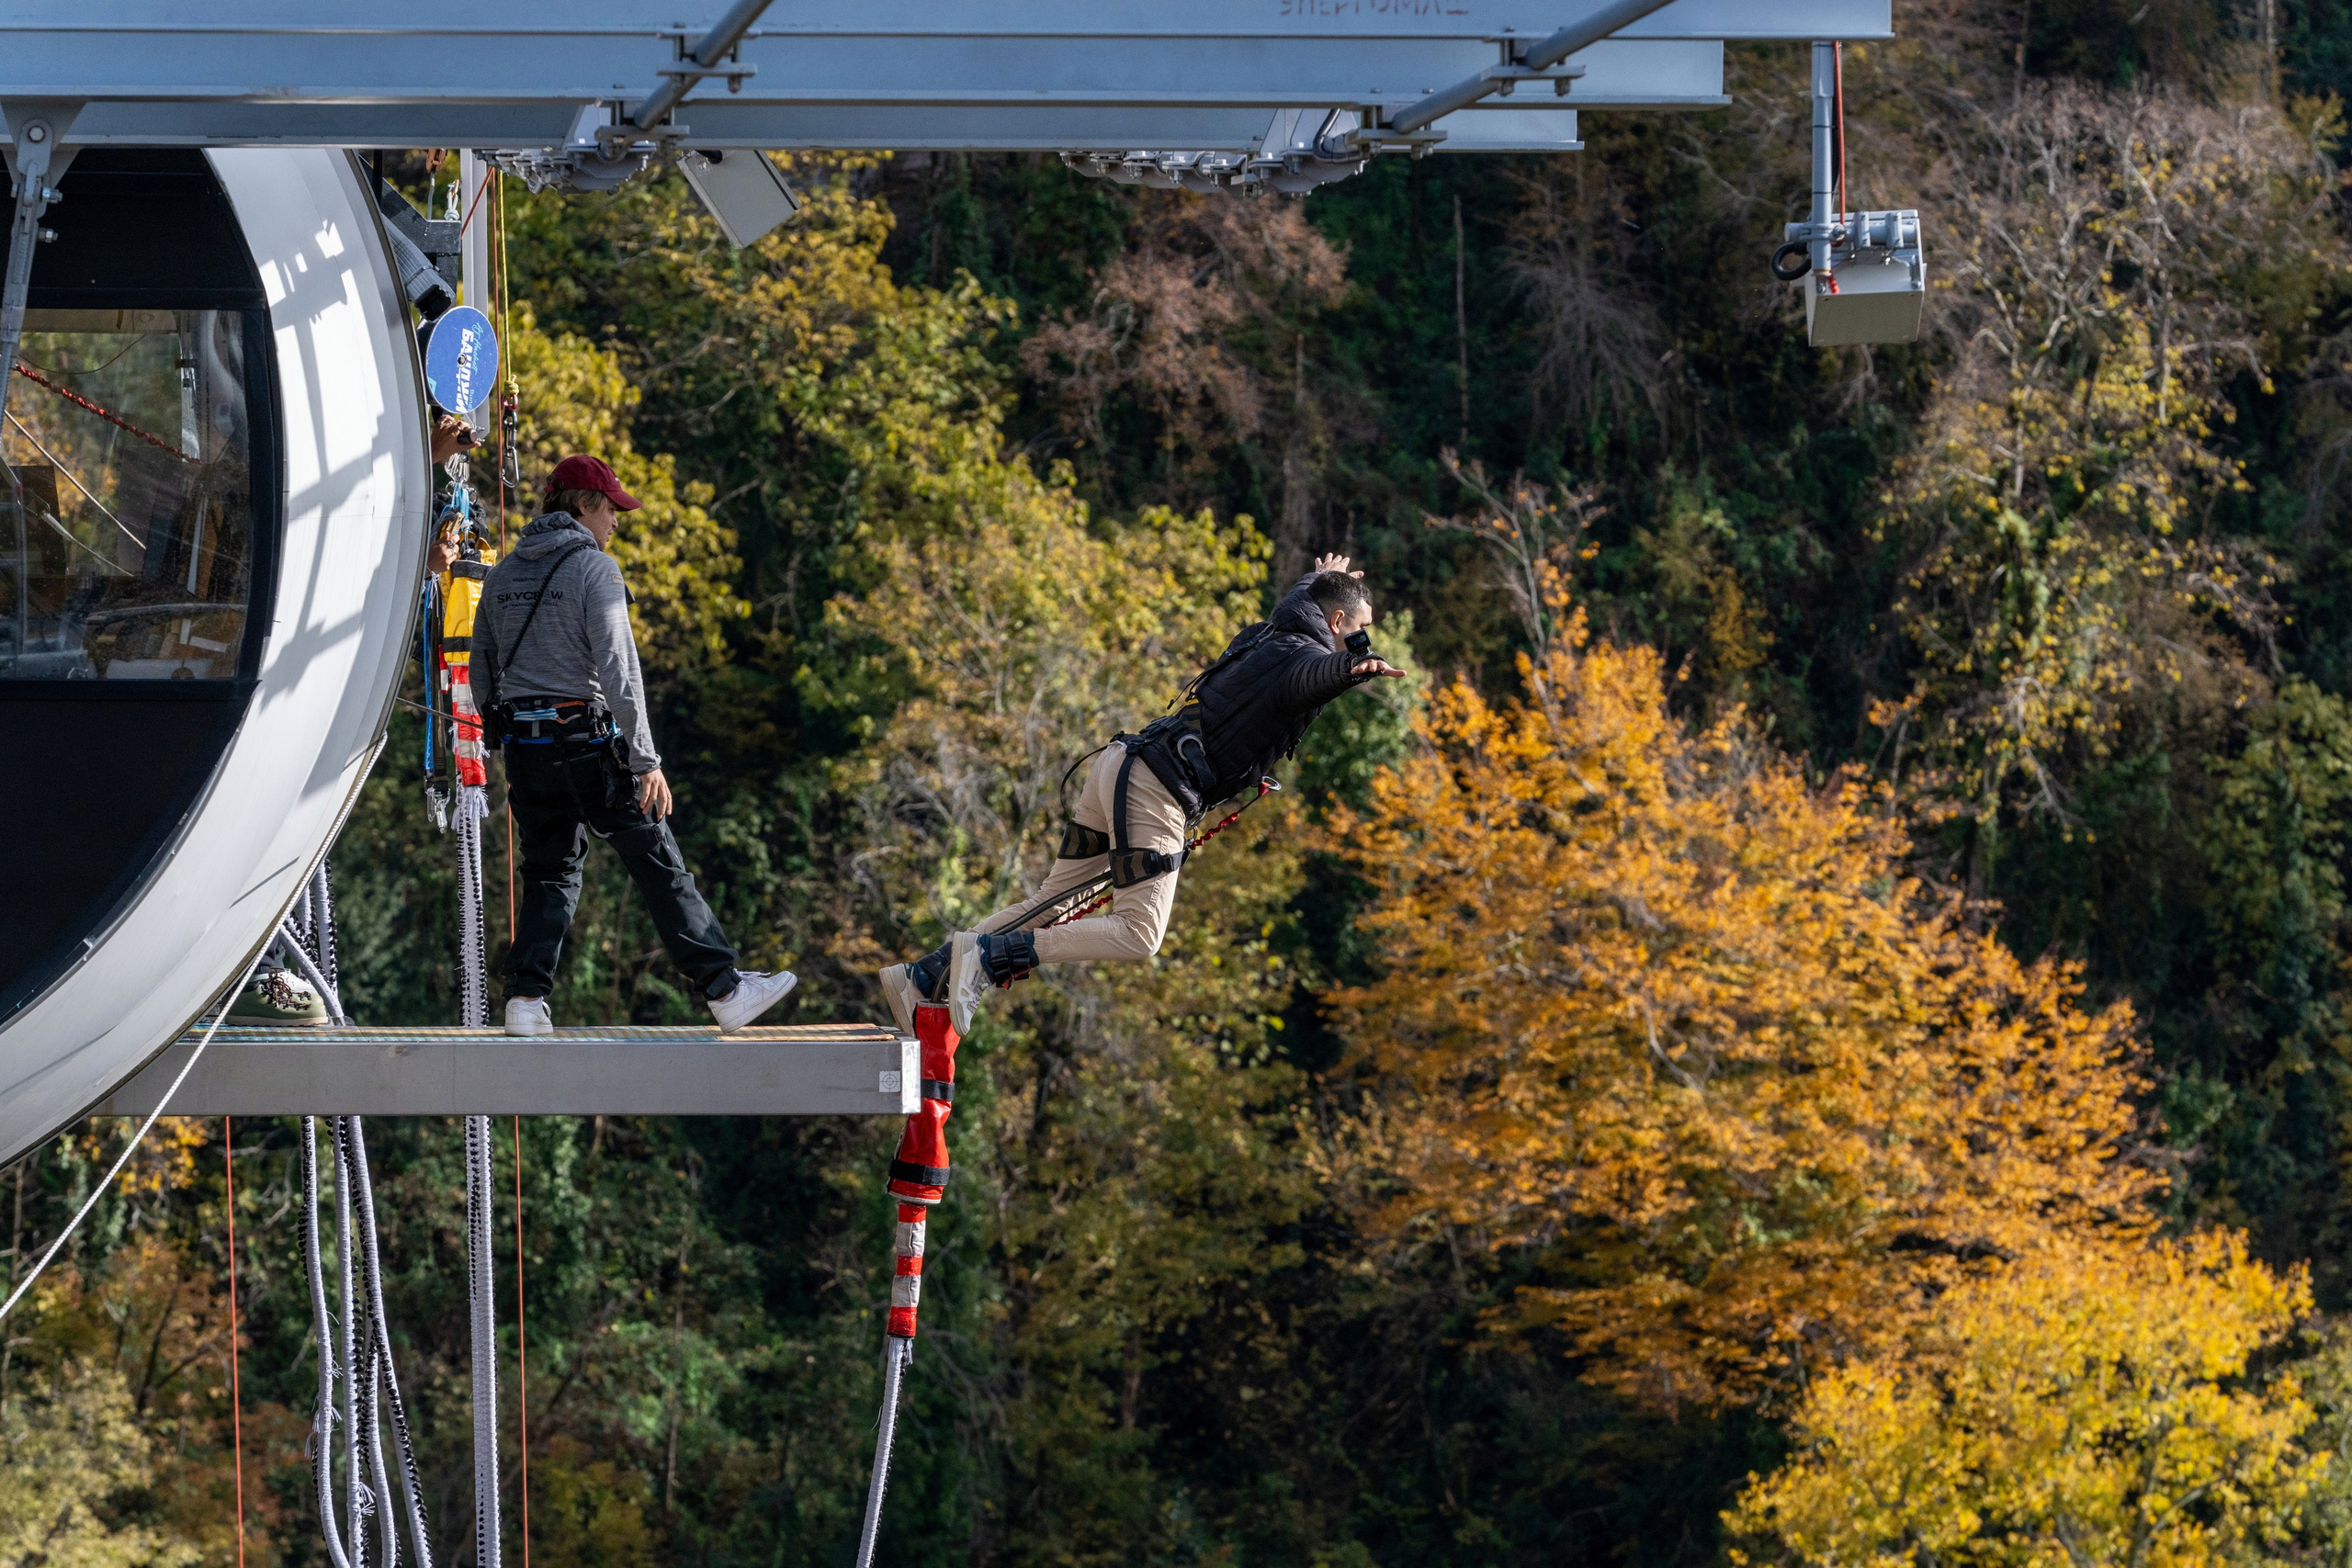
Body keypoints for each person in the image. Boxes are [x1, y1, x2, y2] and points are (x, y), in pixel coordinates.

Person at [878, 554, 1406, 1034]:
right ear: (1336, 622)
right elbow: (1314, 676)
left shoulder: (1274, 631)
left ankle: (920, 980)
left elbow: (1300, 605)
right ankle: (989, 958)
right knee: (1139, 933)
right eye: (1361, 628)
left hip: (1122, 765)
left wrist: (1317, 579)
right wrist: (1349, 669)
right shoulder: (1303, 659)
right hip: (1157, 787)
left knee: (1054, 902)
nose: (1364, 637)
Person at [474, 455, 796, 1036]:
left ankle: (524, 1000)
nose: (616, 522)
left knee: (548, 872)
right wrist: (646, 760)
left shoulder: (499, 577)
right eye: (612, 509)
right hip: (587, 746)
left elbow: (482, 670)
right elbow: (619, 671)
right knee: (657, 862)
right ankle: (725, 991)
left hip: (526, 751)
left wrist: (506, 740)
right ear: (584, 505)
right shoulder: (595, 570)